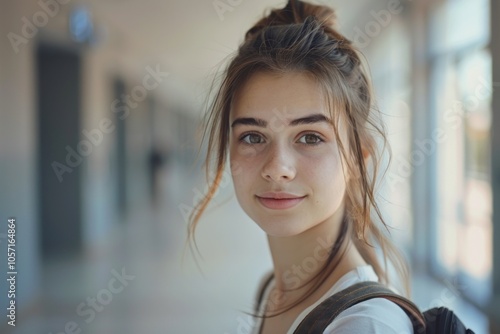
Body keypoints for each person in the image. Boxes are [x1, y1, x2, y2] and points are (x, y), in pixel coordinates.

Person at [188, 1, 414, 333]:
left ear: (358, 158)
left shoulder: (363, 325)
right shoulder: (274, 289)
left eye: (309, 137)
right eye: (252, 136)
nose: (277, 168)